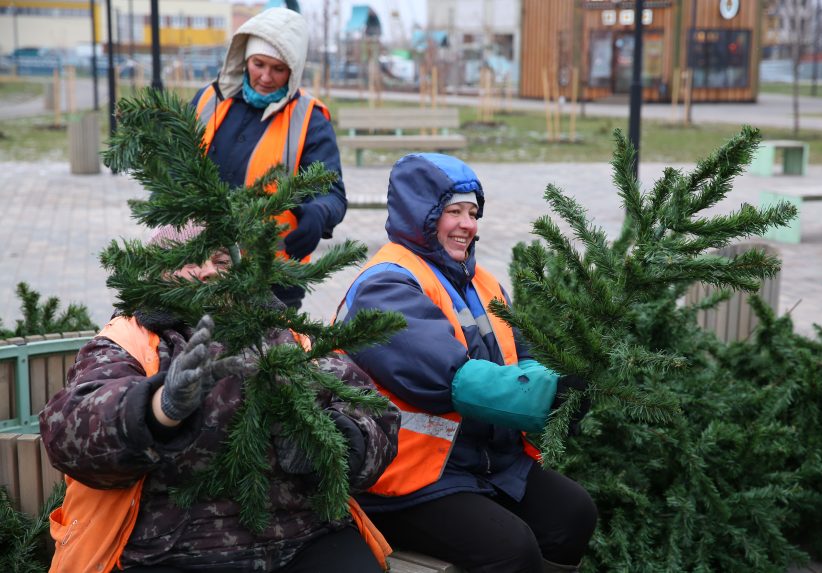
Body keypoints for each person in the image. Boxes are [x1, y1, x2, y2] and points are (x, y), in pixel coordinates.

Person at [40, 224, 399, 573]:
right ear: (160, 271)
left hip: (304, 536)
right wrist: (157, 409)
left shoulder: (289, 336)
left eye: (222, 262)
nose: (210, 272)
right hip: (170, 550)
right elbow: (69, 432)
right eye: (193, 259)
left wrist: (330, 440)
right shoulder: (131, 340)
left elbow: (371, 410)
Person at [335, 153, 598, 573]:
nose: (468, 224)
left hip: (485, 461)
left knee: (573, 515)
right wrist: (547, 395)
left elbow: (521, 359)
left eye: (473, 212)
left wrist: (569, 383)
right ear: (420, 214)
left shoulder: (483, 282)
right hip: (408, 476)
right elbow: (450, 377)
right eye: (452, 211)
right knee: (511, 551)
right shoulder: (384, 286)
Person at [191, 7, 346, 309]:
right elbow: (174, 164)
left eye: (278, 69)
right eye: (258, 63)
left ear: (294, 70)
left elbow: (332, 191)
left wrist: (318, 213)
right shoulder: (208, 101)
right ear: (244, 58)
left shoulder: (309, 120)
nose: (265, 77)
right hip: (198, 267)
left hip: (272, 280)